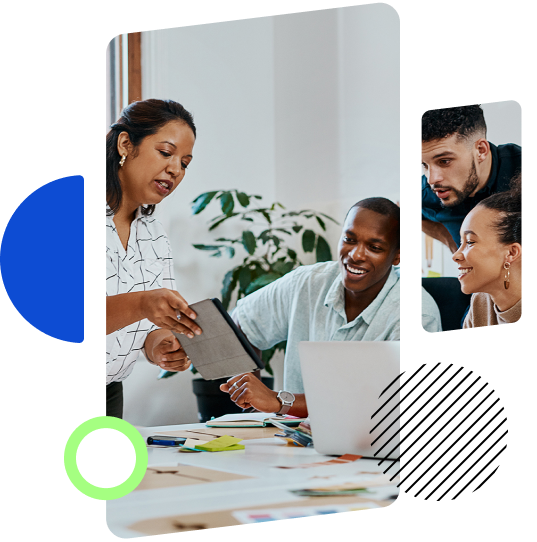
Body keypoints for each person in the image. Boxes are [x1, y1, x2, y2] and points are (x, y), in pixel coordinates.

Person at [220, 197, 443, 417]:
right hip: (289, 440)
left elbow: (388, 403)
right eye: (349, 239)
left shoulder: (417, 315)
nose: (355, 255)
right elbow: (238, 324)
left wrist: (279, 401)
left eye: (374, 247)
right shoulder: (307, 282)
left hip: (367, 445)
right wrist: (248, 392)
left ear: (397, 256)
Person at [106, 99, 203, 419]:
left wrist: (159, 345)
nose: (175, 169)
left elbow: (146, 325)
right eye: (165, 152)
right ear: (125, 144)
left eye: (185, 162)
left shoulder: (153, 234)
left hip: (106, 394)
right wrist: (144, 303)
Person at [421, 104, 531, 253]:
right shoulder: (427, 193)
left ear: (480, 150)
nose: (432, 179)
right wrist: (447, 237)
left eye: (444, 161)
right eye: (424, 165)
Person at [452, 188, 531, 340]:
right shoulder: (481, 302)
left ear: (511, 253)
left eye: (470, 242)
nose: (456, 255)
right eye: (461, 242)